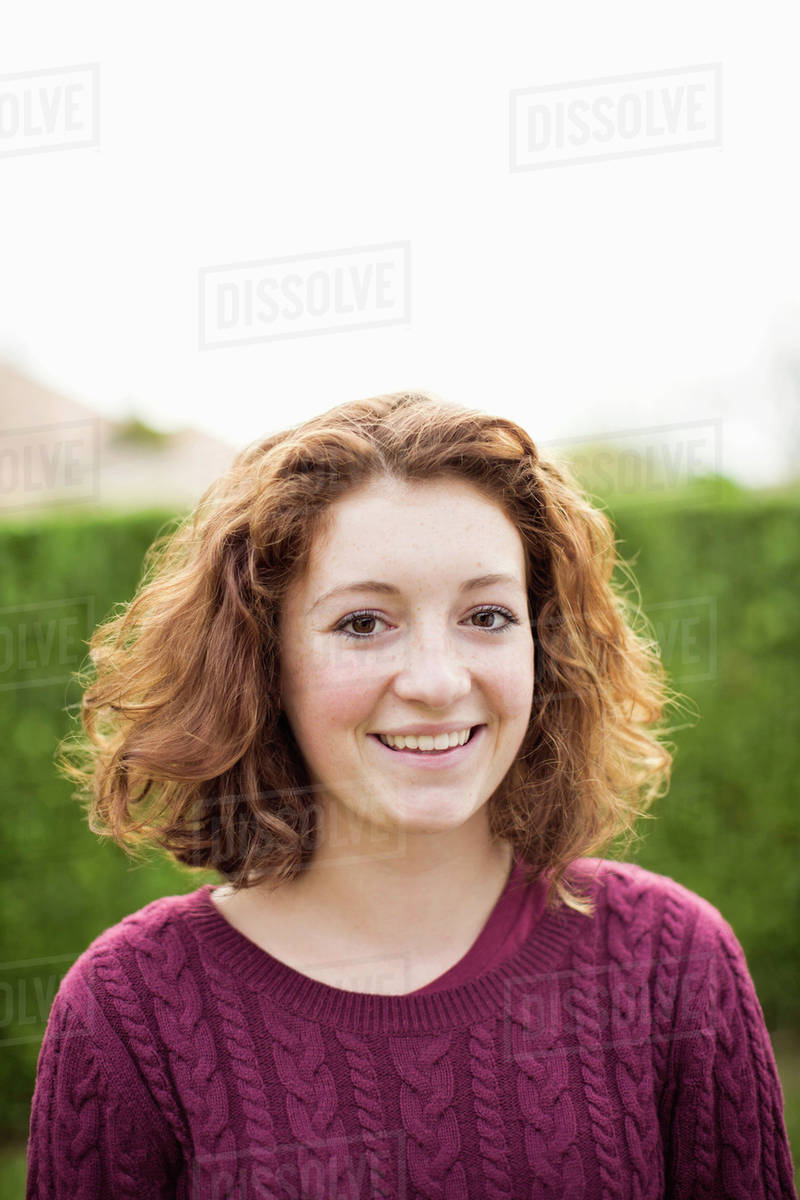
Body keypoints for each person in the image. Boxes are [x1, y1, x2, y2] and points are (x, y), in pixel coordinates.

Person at [27, 390, 796, 1198]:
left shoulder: (672, 967)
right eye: (363, 623)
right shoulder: (130, 1014)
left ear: (546, 648)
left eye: (488, 615)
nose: (436, 681)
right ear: (261, 662)